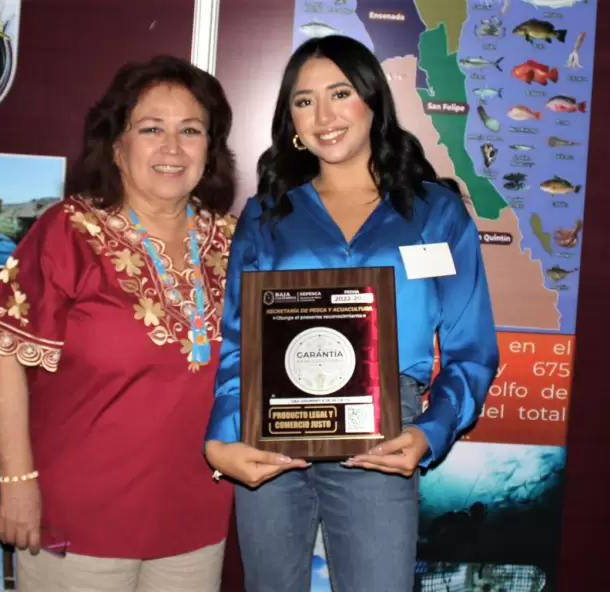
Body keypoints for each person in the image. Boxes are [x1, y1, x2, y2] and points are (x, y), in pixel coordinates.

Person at [203, 35, 500, 592]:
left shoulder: (435, 212)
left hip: (383, 435)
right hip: (271, 430)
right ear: (289, 116)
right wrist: (222, 436)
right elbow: (239, 341)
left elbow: (471, 349)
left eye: (340, 93)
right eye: (304, 99)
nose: (324, 115)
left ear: (373, 100)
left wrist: (430, 433)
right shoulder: (267, 213)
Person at [0, 55, 238, 591]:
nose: (171, 147)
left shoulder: (235, 241)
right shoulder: (68, 231)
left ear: (209, 150)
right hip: (80, 518)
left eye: (190, 130)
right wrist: (17, 483)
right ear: (117, 145)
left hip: (197, 515)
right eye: (150, 129)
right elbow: (2, 354)